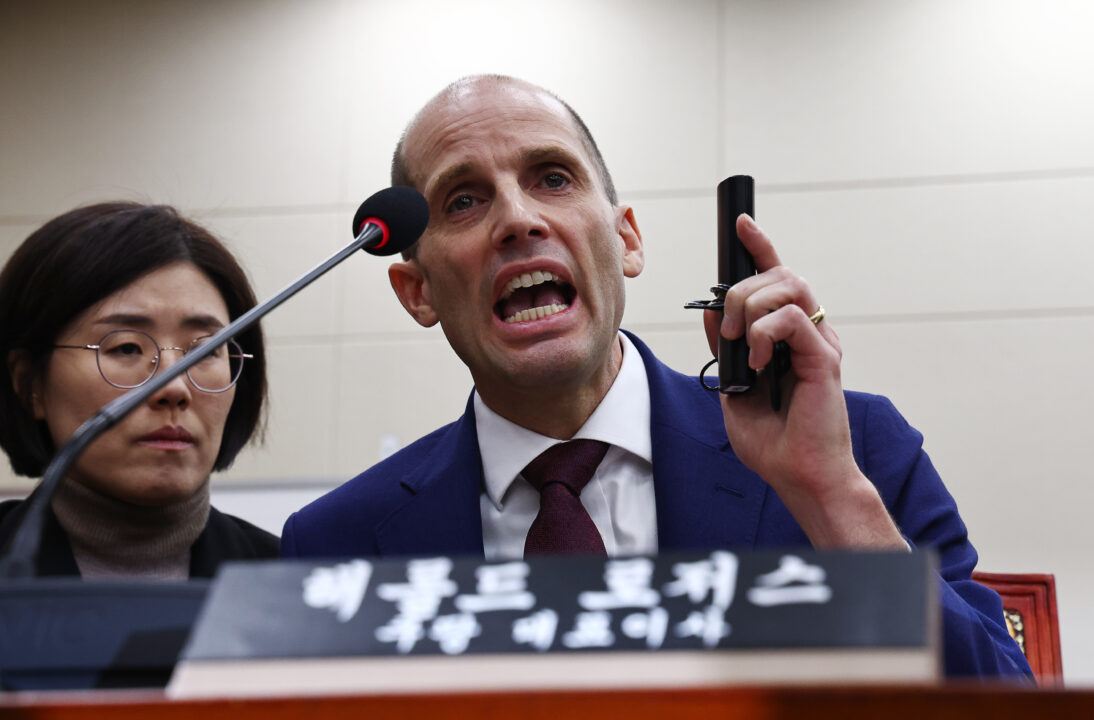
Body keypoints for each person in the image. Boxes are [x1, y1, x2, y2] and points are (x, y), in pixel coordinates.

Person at [280, 75, 1029, 677]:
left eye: (552, 178)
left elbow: (1002, 703)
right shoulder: (336, 543)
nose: (517, 220)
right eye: (464, 200)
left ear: (627, 241)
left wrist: (831, 499)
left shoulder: (858, 450)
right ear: (417, 291)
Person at [0, 202, 278, 578]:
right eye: (127, 348)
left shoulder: (291, 582)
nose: (174, 387)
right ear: (29, 383)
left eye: (206, 350)